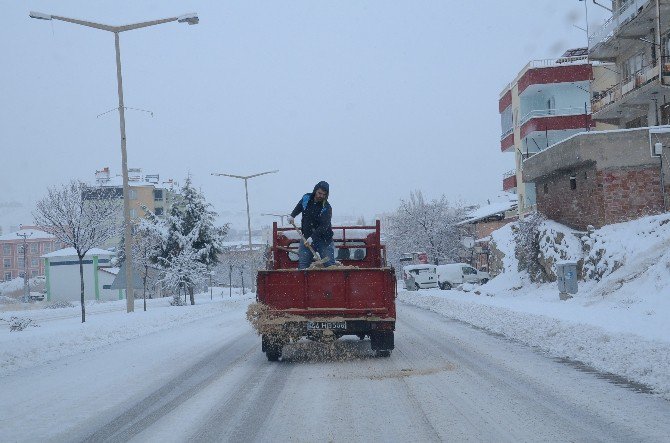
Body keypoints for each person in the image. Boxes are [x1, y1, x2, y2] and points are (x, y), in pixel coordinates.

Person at [288, 181, 336, 269]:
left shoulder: (326, 207)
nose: (320, 196)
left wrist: (313, 237)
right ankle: (303, 282)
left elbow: (324, 226)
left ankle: (332, 282)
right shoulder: (306, 198)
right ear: (315, 190)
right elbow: (299, 206)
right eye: (319, 193)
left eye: (324, 194)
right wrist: (292, 215)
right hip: (306, 238)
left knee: (330, 267)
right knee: (303, 266)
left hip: (324, 240)